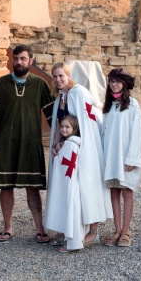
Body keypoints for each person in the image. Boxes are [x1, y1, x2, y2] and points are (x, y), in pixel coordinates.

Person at [0, 45, 54, 243]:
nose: (19, 62)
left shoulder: (40, 84)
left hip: (30, 143)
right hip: (5, 143)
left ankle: (40, 229)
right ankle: (8, 228)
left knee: (32, 186)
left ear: (31, 61)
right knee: (5, 186)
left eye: (23, 59)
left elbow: (51, 113)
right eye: (16, 58)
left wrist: (64, 139)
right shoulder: (1, 83)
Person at [47, 62, 111, 247]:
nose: (58, 79)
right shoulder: (59, 99)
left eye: (61, 76)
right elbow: (60, 124)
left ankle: (93, 232)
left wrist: (79, 147)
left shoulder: (79, 93)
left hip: (84, 148)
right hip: (67, 149)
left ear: (68, 75)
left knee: (87, 187)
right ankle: (67, 228)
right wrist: (55, 145)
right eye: (55, 76)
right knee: (67, 188)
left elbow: (87, 123)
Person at [100, 68, 141, 247]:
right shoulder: (108, 106)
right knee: (114, 192)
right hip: (111, 156)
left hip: (126, 157)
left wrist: (133, 159)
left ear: (124, 85)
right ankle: (117, 230)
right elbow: (104, 132)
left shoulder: (132, 105)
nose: (114, 84)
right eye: (111, 81)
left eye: (117, 81)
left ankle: (126, 231)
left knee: (127, 191)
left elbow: (138, 133)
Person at [44, 115, 84, 253]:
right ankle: (65, 237)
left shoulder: (72, 145)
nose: (63, 129)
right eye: (61, 126)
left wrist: (59, 152)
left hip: (70, 183)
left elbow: (68, 162)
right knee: (64, 207)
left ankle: (73, 243)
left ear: (74, 128)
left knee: (71, 209)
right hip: (66, 182)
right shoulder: (65, 143)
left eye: (67, 127)